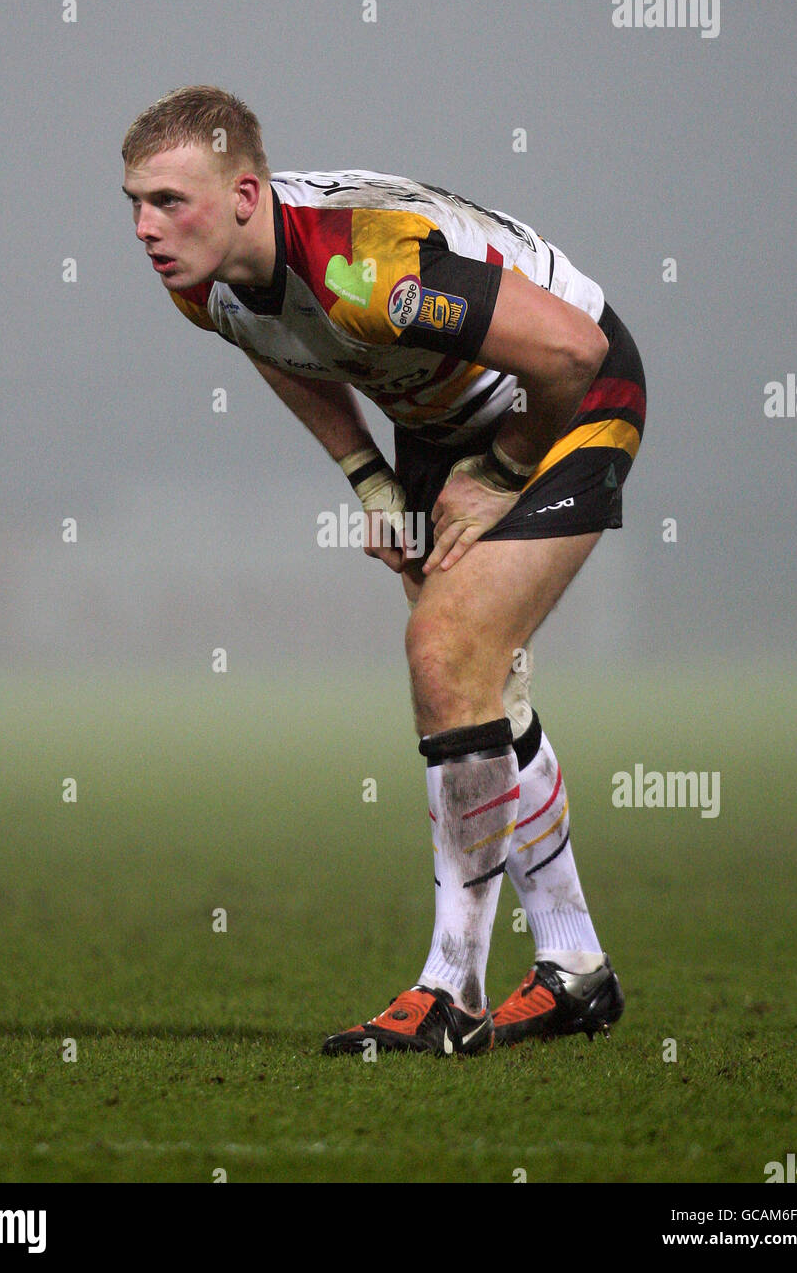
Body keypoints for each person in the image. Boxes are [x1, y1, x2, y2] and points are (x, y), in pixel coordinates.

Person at [121, 86, 646, 1056]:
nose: (147, 228)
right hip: (436, 419)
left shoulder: (366, 269)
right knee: (485, 687)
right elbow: (275, 338)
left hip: (569, 396)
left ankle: (450, 990)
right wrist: (365, 475)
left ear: (245, 194)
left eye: (169, 201)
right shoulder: (204, 273)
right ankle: (574, 968)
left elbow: (573, 351)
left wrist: (496, 473)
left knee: (446, 651)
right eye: (135, 204)